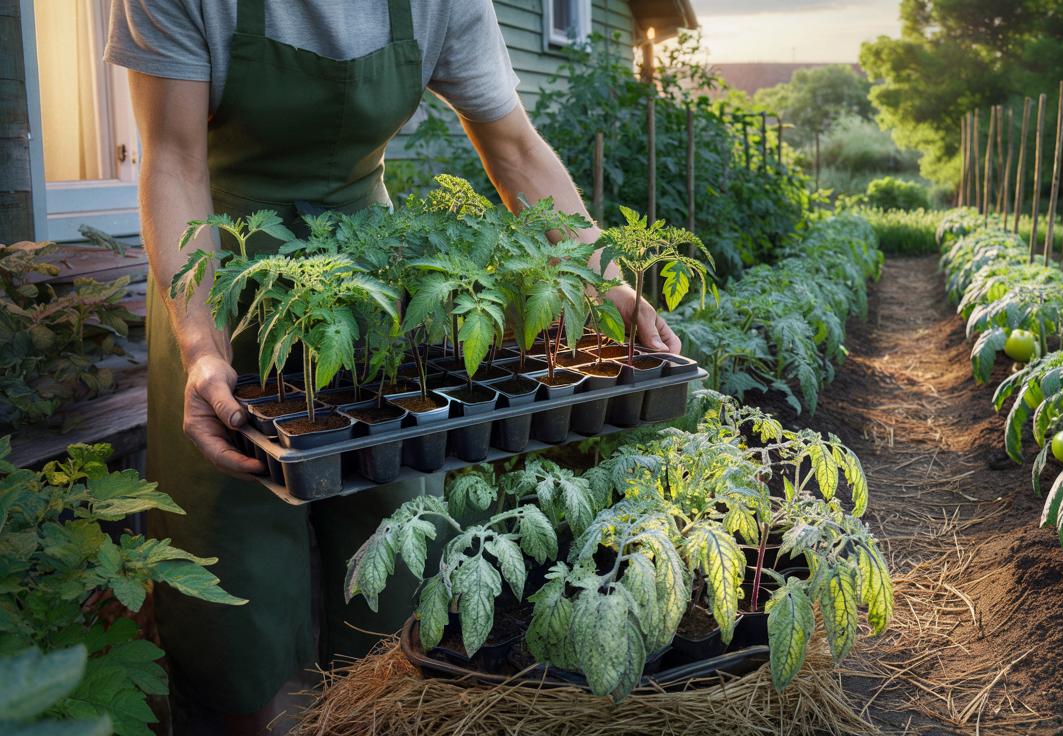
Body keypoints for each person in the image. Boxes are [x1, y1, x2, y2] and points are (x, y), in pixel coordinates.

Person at [105, 1, 680, 732]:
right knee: (229, 566)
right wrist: (201, 348)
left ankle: (372, 714)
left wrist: (606, 282)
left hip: (371, 282)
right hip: (218, 275)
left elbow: (515, 149)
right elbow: (174, 160)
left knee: (394, 537)